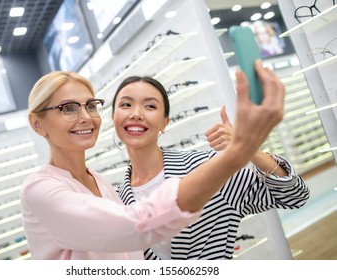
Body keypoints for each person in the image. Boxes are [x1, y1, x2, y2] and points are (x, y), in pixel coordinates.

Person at [20, 62, 288, 259]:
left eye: (90, 105)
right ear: (37, 124)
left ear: (164, 122)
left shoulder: (100, 182)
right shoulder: (44, 189)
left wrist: (249, 153)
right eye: (68, 108)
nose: (86, 117)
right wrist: (235, 154)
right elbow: (135, 226)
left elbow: (292, 194)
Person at [111, 62, 310, 260]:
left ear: (164, 123)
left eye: (150, 106)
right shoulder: (116, 200)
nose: (136, 114)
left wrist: (247, 149)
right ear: (113, 118)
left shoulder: (207, 168)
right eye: (126, 104)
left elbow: (295, 196)